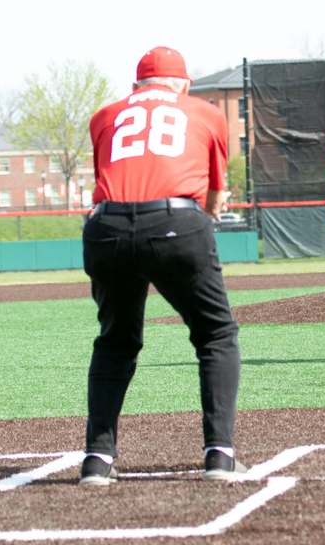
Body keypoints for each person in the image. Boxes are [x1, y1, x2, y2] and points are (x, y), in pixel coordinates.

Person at [80, 46, 244, 485]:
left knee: (116, 341)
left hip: (106, 224)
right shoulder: (205, 112)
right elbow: (214, 196)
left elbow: (109, 180)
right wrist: (194, 233)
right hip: (175, 218)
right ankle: (220, 456)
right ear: (183, 85)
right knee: (216, 335)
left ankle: (97, 460)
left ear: (136, 87)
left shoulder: (104, 115)